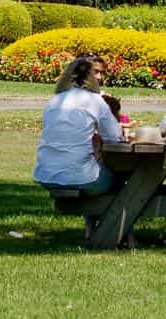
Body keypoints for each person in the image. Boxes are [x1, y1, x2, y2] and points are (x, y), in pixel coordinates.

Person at [34, 55, 129, 243]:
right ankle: (121, 235)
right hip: (81, 177)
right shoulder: (95, 101)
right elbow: (115, 137)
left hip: (46, 174)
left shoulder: (54, 101)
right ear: (91, 78)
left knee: (90, 168)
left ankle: (92, 232)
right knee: (122, 179)